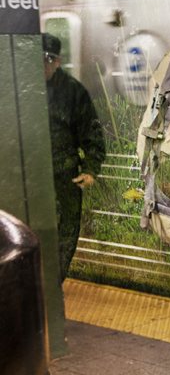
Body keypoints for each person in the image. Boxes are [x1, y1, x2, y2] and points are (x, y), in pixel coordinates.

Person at [43, 33, 106, 282]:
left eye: (47, 60)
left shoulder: (73, 92)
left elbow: (92, 134)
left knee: (66, 235)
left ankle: (52, 286)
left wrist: (90, 169)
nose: (43, 66)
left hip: (64, 179)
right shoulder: (23, 90)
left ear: (57, 61)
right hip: (31, 179)